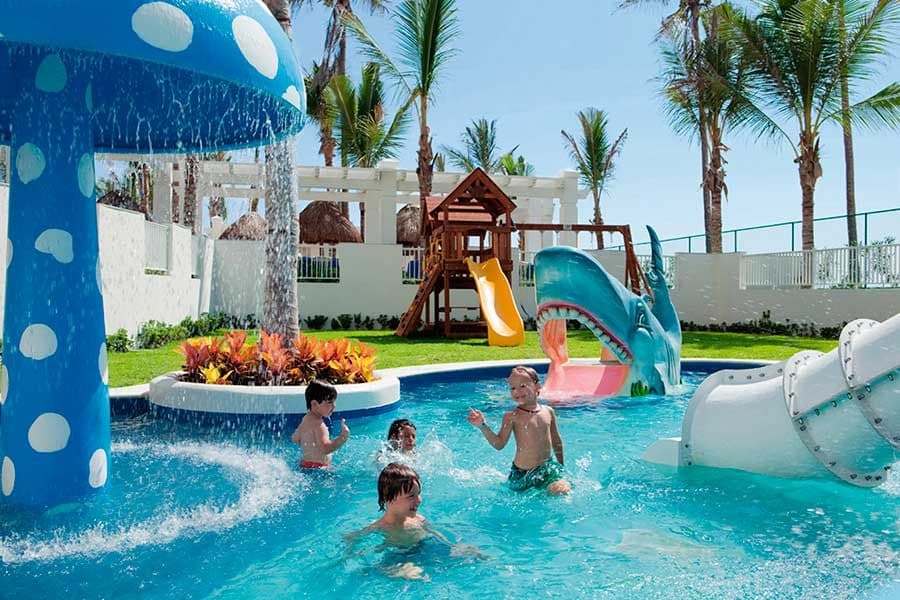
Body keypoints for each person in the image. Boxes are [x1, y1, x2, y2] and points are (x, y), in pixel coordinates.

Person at [345, 462, 484, 579]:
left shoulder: (419, 519)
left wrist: (452, 547)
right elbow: (355, 539)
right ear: (389, 498)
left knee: (470, 551)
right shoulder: (382, 527)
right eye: (411, 496)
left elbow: (436, 535)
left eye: (419, 494)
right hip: (398, 556)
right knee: (400, 570)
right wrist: (351, 547)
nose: (418, 500)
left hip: (424, 548)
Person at [467, 365, 571, 495]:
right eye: (513, 388)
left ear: (537, 386)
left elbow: (556, 441)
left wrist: (561, 467)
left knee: (562, 490)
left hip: (546, 469)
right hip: (522, 474)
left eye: (523, 386)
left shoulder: (548, 411)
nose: (517, 391)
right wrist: (482, 425)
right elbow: (499, 444)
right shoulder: (512, 416)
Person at [291, 380, 350, 469]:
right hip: (319, 468)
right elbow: (326, 448)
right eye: (329, 402)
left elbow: (295, 438)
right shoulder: (319, 426)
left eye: (334, 402)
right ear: (314, 404)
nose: (334, 406)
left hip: (304, 464)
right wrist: (343, 437)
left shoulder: (305, 419)